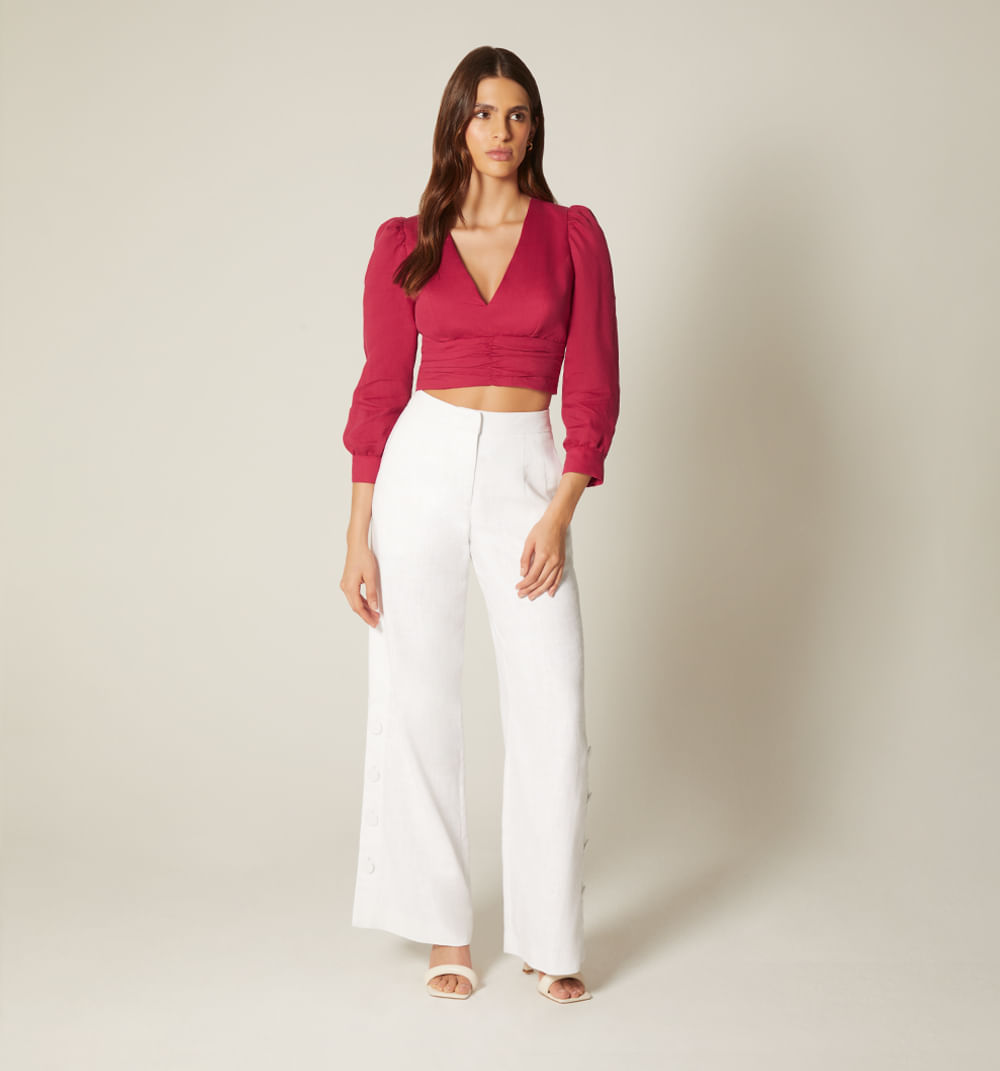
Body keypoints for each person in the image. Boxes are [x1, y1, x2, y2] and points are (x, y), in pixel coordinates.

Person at [340, 44, 620, 1004]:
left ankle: (550, 937)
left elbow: (594, 382)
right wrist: (358, 533)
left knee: (552, 705)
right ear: (456, 123)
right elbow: (381, 390)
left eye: (517, 113)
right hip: (421, 464)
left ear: (533, 127)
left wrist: (561, 504)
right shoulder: (407, 240)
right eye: (484, 113)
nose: (501, 131)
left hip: (526, 472)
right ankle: (441, 926)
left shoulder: (572, 237)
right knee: (417, 691)